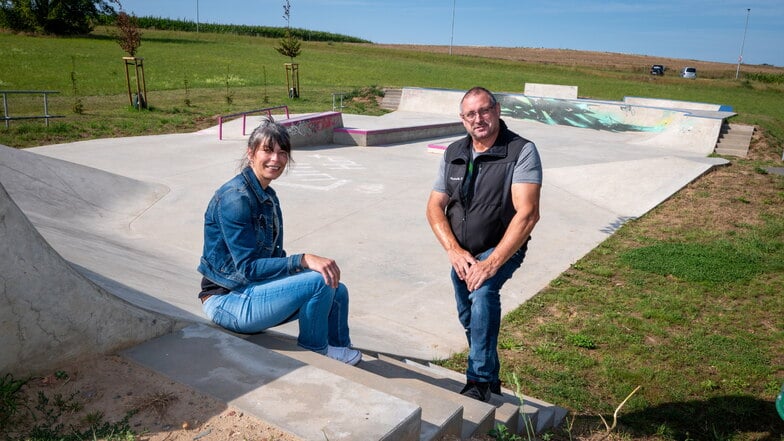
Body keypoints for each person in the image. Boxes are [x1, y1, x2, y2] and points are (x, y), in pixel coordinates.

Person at [197, 116, 361, 365]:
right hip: (227, 301)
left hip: (248, 291)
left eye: (282, 152)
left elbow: (272, 260)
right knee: (319, 281)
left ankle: (339, 348)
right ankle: (318, 352)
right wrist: (303, 260)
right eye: (267, 150)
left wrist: (301, 269)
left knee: (335, 285)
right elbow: (248, 268)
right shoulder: (235, 199)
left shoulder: (268, 197)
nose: (276, 159)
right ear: (251, 153)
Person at [426, 87, 542, 402]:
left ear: (497, 110)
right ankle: (490, 376)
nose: (479, 119)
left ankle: (477, 381)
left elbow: (528, 214)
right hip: (462, 252)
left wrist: (490, 264)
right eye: (471, 114)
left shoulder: (520, 151)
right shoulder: (454, 153)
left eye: (485, 110)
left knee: (483, 292)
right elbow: (435, 207)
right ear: (463, 120)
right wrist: (453, 249)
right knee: (470, 315)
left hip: (501, 247)